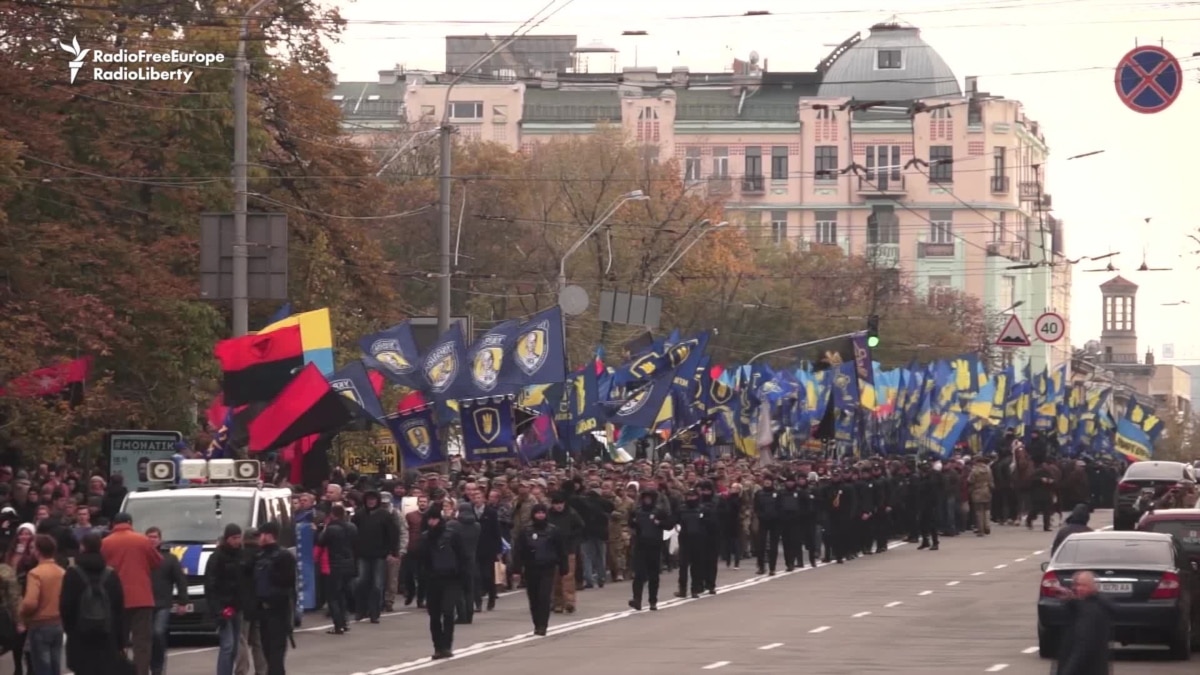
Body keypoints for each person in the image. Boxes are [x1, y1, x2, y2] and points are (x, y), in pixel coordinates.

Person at [100, 512, 162, 675]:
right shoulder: (142, 540)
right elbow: (157, 562)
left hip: (116, 599)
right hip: (142, 597)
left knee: (117, 641)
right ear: (130, 523)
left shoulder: (105, 543)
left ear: (114, 524)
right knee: (142, 642)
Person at [60, 532, 127, 675]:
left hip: (80, 635)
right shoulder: (111, 574)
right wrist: (120, 640)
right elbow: (119, 609)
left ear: (82, 547)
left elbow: (66, 607)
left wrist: (70, 630)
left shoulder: (72, 574)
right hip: (107, 634)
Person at [414, 504, 468, 659]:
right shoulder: (425, 538)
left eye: (435, 519)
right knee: (434, 615)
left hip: (451, 579)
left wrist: (463, 576)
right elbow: (420, 560)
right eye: (430, 519)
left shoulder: (452, 535)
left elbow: (462, 556)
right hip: (433, 579)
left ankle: (447, 645)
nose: (432, 522)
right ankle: (438, 647)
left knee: (448, 611)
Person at [511, 503, 567, 636]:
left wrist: (563, 567)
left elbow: (561, 550)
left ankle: (543, 625)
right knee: (533, 597)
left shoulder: (553, 530)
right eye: (538, 513)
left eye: (543, 512)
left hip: (547, 567)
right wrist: (516, 569)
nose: (540, 515)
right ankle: (536, 623)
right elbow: (518, 551)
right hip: (531, 567)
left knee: (544, 596)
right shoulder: (526, 531)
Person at [252, 522, 295, 675]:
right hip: (263, 613)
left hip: (278, 612)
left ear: (269, 535)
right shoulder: (259, 556)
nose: (258, 538)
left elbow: (288, 582)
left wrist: (270, 573)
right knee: (268, 653)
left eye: (261, 535)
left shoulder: (284, 556)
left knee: (276, 655)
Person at [350, 489, 399, 624]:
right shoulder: (359, 515)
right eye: (368, 499)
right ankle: (360, 610)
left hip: (379, 555)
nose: (371, 502)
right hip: (362, 554)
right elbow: (353, 533)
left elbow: (393, 534)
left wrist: (392, 552)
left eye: (373, 499)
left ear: (377, 501)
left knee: (377, 585)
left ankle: (375, 613)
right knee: (361, 582)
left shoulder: (385, 515)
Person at [19, 534, 64, 675]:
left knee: (42, 666)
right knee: (55, 664)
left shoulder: (35, 573)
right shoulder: (61, 571)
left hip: (40, 624)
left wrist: (22, 614)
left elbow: (30, 602)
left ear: (38, 551)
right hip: (58, 623)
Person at [144, 527, 186, 675]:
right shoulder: (141, 558)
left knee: (158, 632)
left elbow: (180, 580)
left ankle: (158, 668)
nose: (152, 540)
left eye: (155, 537)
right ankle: (147, 666)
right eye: (149, 537)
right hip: (145, 603)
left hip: (163, 604)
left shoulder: (170, 559)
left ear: (160, 540)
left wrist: (183, 601)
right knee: (146, 637)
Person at [205, 524, 245, 675]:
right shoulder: (216, 557)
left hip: (237, 606)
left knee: (234, 646)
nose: (237, 541)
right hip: (223, 607)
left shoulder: (241, 555)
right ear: (227, 538)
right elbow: (210, 586)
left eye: (239, 537)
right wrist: (217, 610)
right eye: (234, 538)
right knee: (227, 645)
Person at [1055, 571, 1114, 674]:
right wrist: (1070, 600)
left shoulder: (1090, 611)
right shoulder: (1091, 605)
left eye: (1082, 585)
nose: (1077, 588)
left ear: (1092, 587)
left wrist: (1067, 671)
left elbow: (1083, 646)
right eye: (1075, 585)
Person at [628, 489, 671, 611]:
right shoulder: (637, 511)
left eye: (649, 498)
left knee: (653, 575)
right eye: (645, 498)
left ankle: (653, 601)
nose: (647, 500)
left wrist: (660, 523)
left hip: (655, 546)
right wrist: (633, 523)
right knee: (639, 574)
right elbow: (630, 523)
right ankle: (637, 599)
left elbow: (669, 525)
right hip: (640, 545)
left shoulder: (659, 511)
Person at [316, 504, 356, 635]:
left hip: (334, 565)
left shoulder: (331, 529)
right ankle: (345, 623)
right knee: (342, 595)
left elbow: (321, 542)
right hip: (349, 564)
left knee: (332, 597)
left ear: (332, 515)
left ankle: (338, 625)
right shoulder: (352, 527)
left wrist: (322, 529)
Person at [967, 457, 994, 537]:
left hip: (977, 491)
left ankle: (981, 530)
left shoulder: (974, 470)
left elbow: (970, 480)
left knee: (979, 512)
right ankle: (987, 526)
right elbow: (991, 480)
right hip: (987, 491)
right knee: (987, 510)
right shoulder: (988, 469)